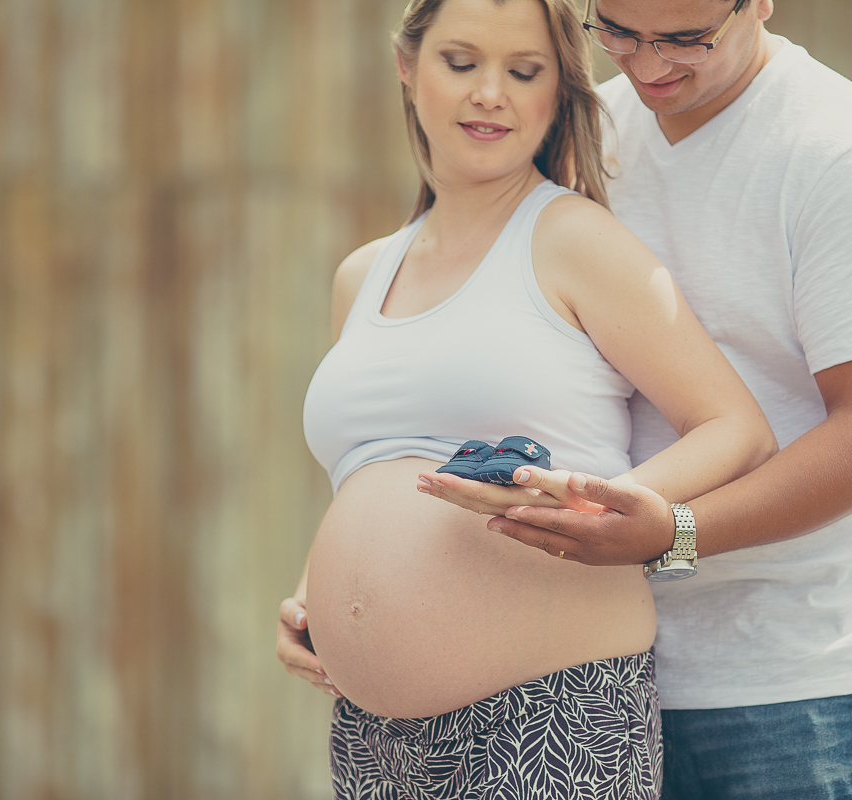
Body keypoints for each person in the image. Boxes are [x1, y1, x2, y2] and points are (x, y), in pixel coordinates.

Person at [419, 0, 852, 798]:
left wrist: (675, 534)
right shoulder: (585, 135)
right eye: (620, 33)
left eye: (686, 40)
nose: (648, 66)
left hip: (796, 686)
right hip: (594, 675)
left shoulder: (847, 153)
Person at [277, 0, 778, 797]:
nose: (490, 94)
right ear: (407, 66)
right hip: (375, 738)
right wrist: (314, 590)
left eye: (524, 71)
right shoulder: (361, 274)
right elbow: (369, 471)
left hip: (550, 716)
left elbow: (737, 429)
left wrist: (594, 505)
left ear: (558, 93)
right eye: (461, 62)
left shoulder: (574, 241)